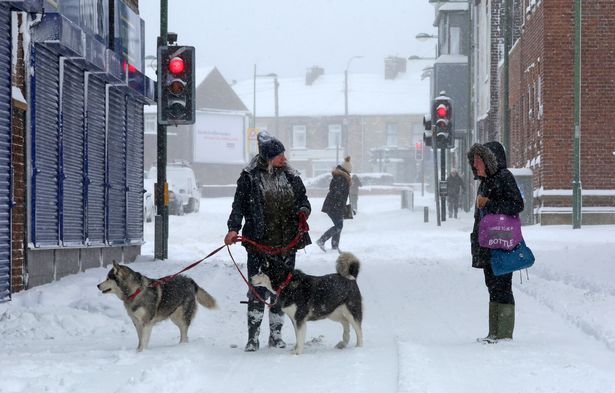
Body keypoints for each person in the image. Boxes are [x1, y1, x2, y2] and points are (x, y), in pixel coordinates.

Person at [224, 131, 311, 352]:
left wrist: (303, 211)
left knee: (281, 291)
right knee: (257, 289)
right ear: (268, 157)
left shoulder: (291, 175)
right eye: (280, 156)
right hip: (259, 245)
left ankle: (276, 335)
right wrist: (233, 229)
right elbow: (239, 206)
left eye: (284, 154)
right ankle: (253, 337)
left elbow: (304, 200)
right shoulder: (249, 176)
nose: (284, 159)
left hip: (287, 243)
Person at [467, 141, 524, 343]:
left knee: (503, 285)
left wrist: (490, 204)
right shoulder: (485, 182)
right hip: (487, 244)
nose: (474, 164)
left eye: (478, 159)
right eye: (473, 159)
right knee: (492, 285)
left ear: (489, 160)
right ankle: (494, 332)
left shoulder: (503, 178)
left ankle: (504, 333)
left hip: (501, 242)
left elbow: (517, 204)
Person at [316, 156, 352, 253]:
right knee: (339, 225)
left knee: (339, 225)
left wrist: (345, 207)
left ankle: (335, 246)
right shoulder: (341, 178)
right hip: (334, 206)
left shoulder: (341, 177)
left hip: (335, 205)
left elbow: (340, 194)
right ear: (347, 170)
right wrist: (341, 205)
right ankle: (322, 240)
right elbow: (337, 193)